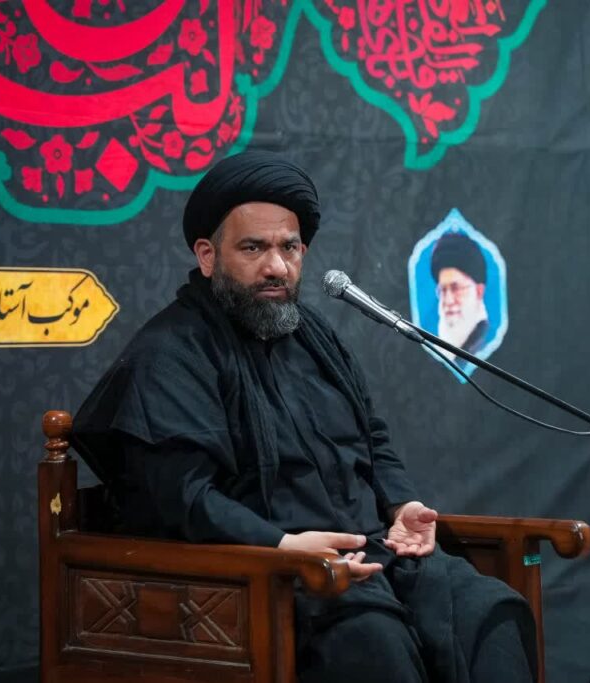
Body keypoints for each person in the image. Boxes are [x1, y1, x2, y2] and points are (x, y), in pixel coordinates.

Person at [72, 151, 536, 683]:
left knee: (490, 613)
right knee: (373, 644)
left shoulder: (312, 335)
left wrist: (401, 503)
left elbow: (371, 436)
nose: (276, 266)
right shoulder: (170, 353)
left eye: (288, 248)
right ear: (207, 255)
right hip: (271, 575)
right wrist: (284, 547)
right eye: (253, 248)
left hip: (375, 552)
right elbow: (182, 497)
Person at [430, 231, 491, 369]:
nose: (448, 300)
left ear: (479, 291)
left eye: (456, 288)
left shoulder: (487, 341)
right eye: (443, 290)